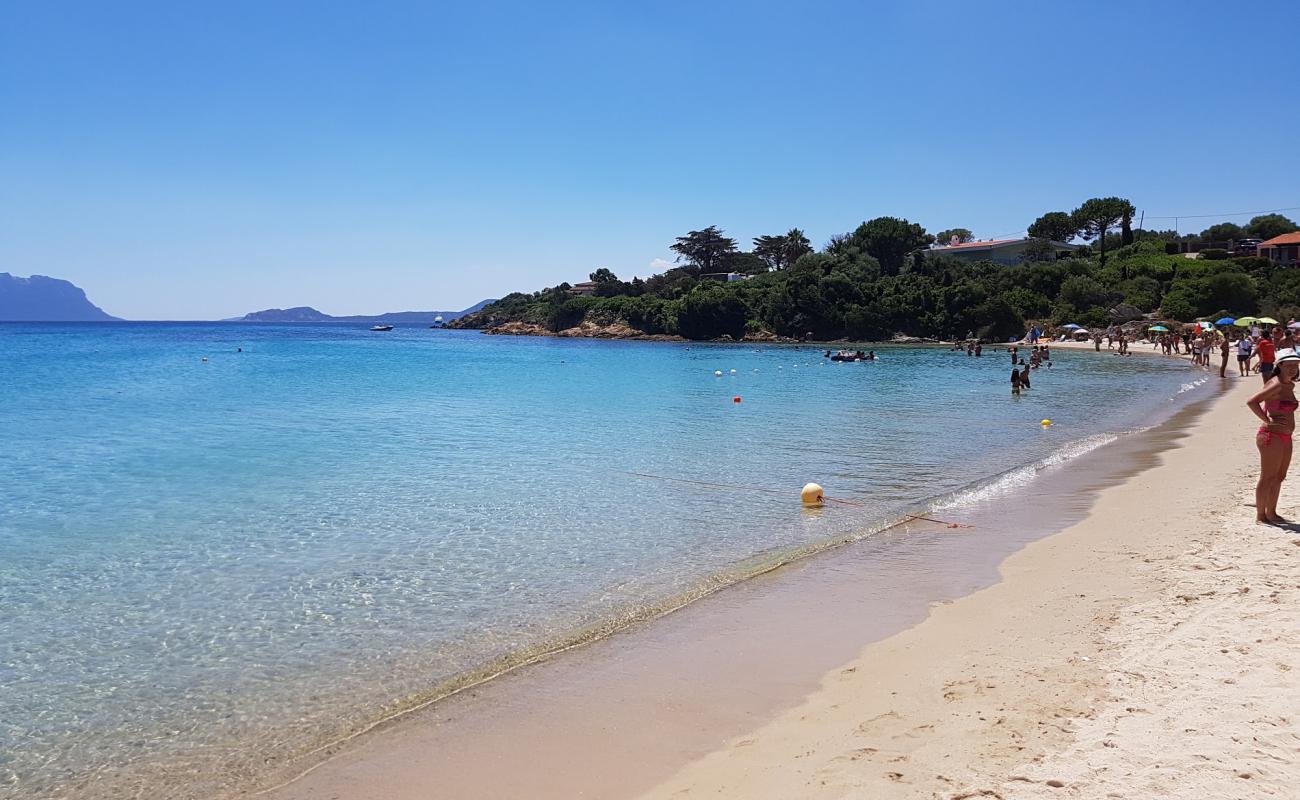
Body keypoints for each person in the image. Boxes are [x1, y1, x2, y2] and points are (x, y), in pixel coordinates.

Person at [1246, 349, 1300, 524]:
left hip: (1286, 436)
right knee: (1267, 476)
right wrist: (1266, 420)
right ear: (1280, 365)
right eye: (1289, 364)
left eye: (1296, 364)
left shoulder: (1289, 384)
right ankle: (1261, 516)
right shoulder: (1275, 384)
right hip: (1271, 436)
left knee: (1279, 476)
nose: (1293, 368)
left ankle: (1272, 513)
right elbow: (1252, 401)